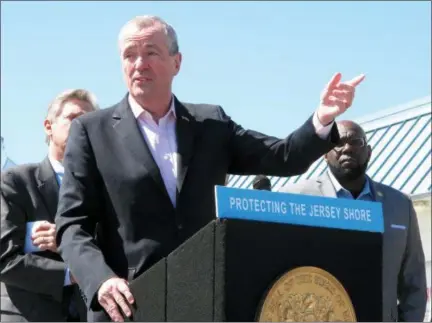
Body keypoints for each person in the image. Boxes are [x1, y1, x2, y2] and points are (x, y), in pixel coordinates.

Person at [54, 15, 365, 322]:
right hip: (129, 306)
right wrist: (102, 280)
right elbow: (71, 225)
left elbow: (282, 157)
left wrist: (322, 119)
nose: (139, 64)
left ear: (177, 62)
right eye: (129, 55)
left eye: (151, 53)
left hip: (203, 301)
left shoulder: (211, 124)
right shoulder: (91, 132)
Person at [279, 120, 427, 322]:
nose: (347, 148)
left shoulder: (400, 205)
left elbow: (414, 283)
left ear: (369, 152)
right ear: (325, 153)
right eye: (338, 142)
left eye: (356, 141)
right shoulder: (295, 198)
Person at [0, 89, 99, 322]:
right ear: (48, 126)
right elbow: (4, 259)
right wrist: (74, 273)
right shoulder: (15, 181)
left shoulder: (104, 190)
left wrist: (66, 242)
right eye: (73, 118)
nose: (81, 126)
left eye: (88, 121)